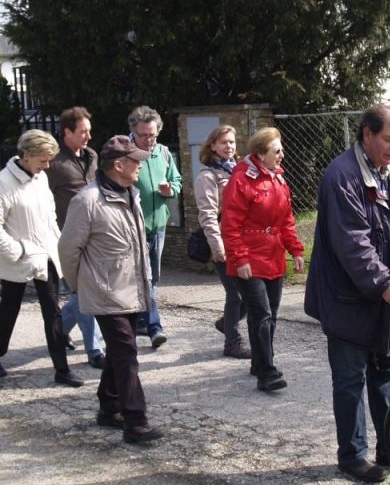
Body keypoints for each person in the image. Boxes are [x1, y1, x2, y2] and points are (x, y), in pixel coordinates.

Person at [305, 105, 390, 483]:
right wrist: (383, 283)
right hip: (349, 300)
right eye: (389, 139)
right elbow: (353, 244)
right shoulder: (342, 176)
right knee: (350, 380)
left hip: (384, 299)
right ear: (366, 135)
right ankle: (352, 455)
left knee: (385, 373)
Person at [58, 135, 163, 444]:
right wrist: (81, 286)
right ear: (119, 165)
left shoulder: (130, 193)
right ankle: (136, 422)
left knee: (121, 351)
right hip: (106, 292)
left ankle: (108, 406)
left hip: (129, 288)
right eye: (136, 162)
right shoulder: (87, 201)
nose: (141, 167)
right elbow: (68, 250)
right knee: (127, 353)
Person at [0, 129, 84, 388]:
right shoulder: (3, 182)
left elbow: (50, 219)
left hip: (46, 256)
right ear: (26, 156)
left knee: (53, 313)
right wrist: (17, 251)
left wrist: (60, 249)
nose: (47, 166)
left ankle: (62, 370)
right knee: (9, 308)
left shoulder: (40, 179)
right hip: (19, 259)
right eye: (43, 160)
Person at [221, 127, 304, 392]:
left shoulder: (278, 179)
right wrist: (241, 258)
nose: (282, 155)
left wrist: (296, 250)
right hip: (249, 258)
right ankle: (266, 372)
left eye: (280, 149)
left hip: (273, 256)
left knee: (271, 314)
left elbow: (286, 221)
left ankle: (260, 362)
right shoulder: (241, 179)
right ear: (260, 153)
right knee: (261, 314)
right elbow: (230, 225)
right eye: (276, 151)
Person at [45, 106, 105, 370]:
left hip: (94, 236)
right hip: (67, 238)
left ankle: (59, 328)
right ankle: (95, 351)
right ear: (67, 132)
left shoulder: (92, 156)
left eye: (89, 132)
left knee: (83, 295)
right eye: (82, 132)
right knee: (85, 294)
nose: (88, 137)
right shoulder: (54, 164)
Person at [128, 105, 182, 350]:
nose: (149, 140)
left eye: (152, 135)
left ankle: (140, 320)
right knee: (146, 279)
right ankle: (154, 327)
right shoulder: (124, 152)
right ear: (133, 132)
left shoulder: (163, 153)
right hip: (133, 229)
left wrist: (170, 189)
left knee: (154, 278)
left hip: (158, 226)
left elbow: (177, 180)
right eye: (143, 135)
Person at [194, 124, 249, 359]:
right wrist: (218, 247)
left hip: (244, 240)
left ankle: (227, 323)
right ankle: (232, 342)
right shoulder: (208, 176)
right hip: (224, 242)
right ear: (213, 146)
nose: (229, 146)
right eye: (224, 142)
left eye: (232, 142)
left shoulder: (240, 171)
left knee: (251, 293)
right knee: (235, 293)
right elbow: (207, 214)